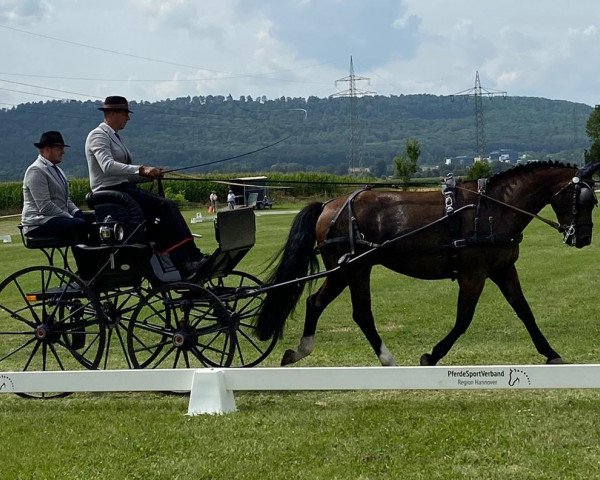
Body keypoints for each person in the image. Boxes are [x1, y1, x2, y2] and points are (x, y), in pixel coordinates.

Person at [85, 96, 205, 276]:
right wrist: (141, 170)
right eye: (125, 113)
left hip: (122, 189)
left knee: (164, 211)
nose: (128, 118)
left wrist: (149, 175)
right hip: (109, 193)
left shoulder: (114, 137)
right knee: (166, 206)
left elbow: (125, 174)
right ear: (112, 113)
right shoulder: (98, 135)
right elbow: (108, 166)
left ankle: (186, 258)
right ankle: (186, 261)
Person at [21, 131, 89, 242]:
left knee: (92, 220)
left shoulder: (57, 170)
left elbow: (65, 200)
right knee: (78, 225)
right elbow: (45, 206)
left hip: (55, 218)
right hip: (38, 223)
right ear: (47, 149)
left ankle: (98, 256)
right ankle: (85, 257)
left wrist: (77, 212)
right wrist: (70, 217)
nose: (63, 152)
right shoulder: (36, 170)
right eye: (59, 148)